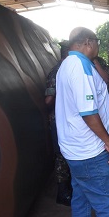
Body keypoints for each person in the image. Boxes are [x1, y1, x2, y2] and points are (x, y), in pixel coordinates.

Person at [55, 27, 109, 217]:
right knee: (106, 202)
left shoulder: (66, 65)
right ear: (88, 42)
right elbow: (88, 113)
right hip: (90, 152)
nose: (99, 46)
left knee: (81, 199)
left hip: (75, 151)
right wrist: (108, 142)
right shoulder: (81, 68)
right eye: (98, 41)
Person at [45, 40, 72, 206]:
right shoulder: (59, 71)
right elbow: (48, 100)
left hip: (65, 120)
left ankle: (67, 189)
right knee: (62, 156)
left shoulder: (62, 68)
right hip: (59, 120)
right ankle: (62, 193)